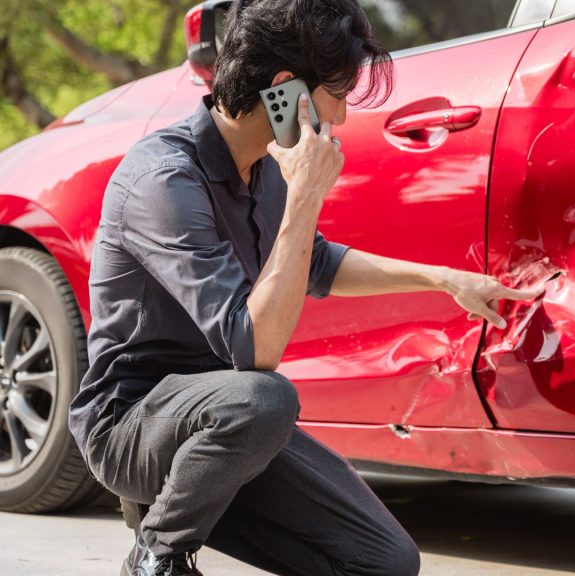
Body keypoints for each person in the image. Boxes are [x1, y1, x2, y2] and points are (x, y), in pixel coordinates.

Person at [67, 1, 542, 575]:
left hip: (225, 430)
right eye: (336, 95)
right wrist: (305, 195)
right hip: (132, 426)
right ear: (284, 89)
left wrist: (443, 280)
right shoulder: (164, 179)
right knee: (267, 397)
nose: (340, 116)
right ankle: (159, 554)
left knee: (386, 563)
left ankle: (182, 499)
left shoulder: (264, 171)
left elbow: (316, 261)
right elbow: (255, 349)